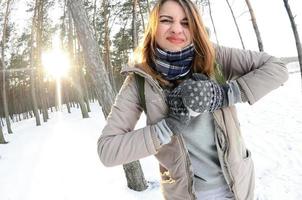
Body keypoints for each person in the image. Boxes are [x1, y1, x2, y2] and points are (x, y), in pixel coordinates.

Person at [97, 0, 288, 199]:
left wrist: (223, 95)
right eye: (166, 20)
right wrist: (167, 128)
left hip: (239, 188)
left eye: (186, 22)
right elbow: (107, 150)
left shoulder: (214, 56)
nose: (176, 29)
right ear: (153, 26)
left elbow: (277, 68)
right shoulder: (139, 81)